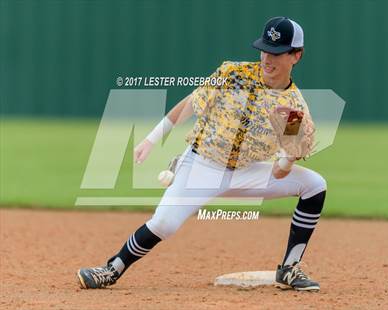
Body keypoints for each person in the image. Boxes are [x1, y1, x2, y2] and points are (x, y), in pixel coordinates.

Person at [77, 16, 327, 292]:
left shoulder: (293, 109)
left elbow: (280, 172)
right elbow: (191, 104)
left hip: (246, 173)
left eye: (278, 53)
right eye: (265, 49)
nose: (268, 58)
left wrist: (289, 157)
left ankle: (290, 269)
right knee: (164, 224)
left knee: (314, 185)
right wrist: (150, 139)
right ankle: (111, 270)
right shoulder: (233, 73)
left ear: (296, 56)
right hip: (202, 165)